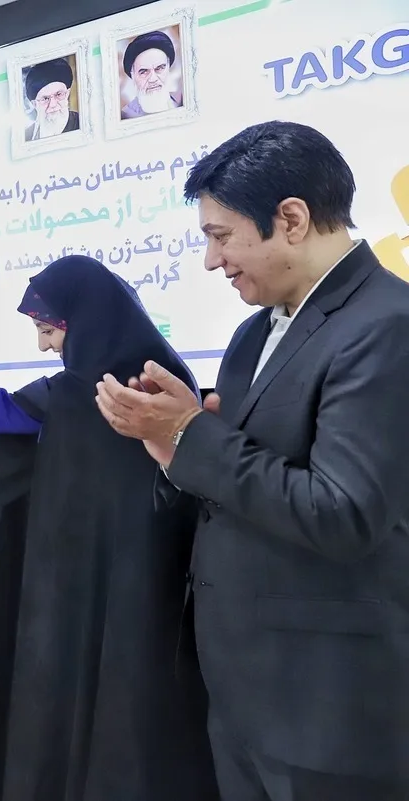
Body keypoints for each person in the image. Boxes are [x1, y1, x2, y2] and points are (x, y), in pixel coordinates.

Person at [96, 120, 409, 800]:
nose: (213, 261)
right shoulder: (250, 333)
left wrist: (192, 435)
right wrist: (173, 446)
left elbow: (344, 513)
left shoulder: (387, 324)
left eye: (221, 236)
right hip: (243, 691)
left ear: (291, 219)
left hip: (327, 708)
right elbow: (238, 479)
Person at [0, 256, 218, 801]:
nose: (44, 346)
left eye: (48, 331)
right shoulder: (164, 380)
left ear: (82, 320)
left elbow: (0, 412)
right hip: (140, 587)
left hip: (116, 589)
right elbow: (2, 411)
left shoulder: (93, 392)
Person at [121, 30, 182, 119]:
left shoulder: (182, 100)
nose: (153, 79)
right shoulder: (125, 116)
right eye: (144, 72)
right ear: (133, 76)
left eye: (159, 68)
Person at [23, 58, 80, 141]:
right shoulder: (25, 137)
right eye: (45, 98)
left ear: (67, 93)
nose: (53, 104)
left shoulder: (83, 122)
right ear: (34, 104)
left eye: (59, 94)